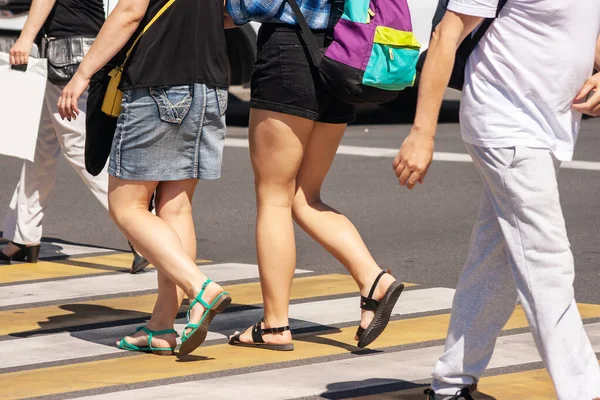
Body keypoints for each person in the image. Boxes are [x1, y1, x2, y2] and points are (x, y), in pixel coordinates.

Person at [393, 0, 600, 398]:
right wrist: (422, 133)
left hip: (550, 126)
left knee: (497, 261)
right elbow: (446, 34)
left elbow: (583, 31)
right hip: (506, 123)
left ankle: (452, 382)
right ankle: (584, 389)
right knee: (547, 261)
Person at [226, 0, 404, 351]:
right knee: (305, 196)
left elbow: (258, 4)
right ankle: (374, 279)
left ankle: (274, 325)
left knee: (274, 197)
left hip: (288, 53)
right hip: (343, 54)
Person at [58, 0, 233, 355]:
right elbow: (229, 14)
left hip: (159, 83)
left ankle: (200, 287)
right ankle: (162, 325)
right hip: (211, 85)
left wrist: (82, 73)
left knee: (126, 207)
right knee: (175, 208)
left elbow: (130, 12)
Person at [0, 0, 149, 274]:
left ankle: (143, 233)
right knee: (40, 147)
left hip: (67, 53)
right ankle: (23, 235)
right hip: (68, 50)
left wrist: (25, 37)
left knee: (82, 150)